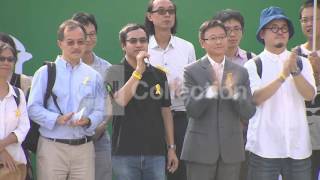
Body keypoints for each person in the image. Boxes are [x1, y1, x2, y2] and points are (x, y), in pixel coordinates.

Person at [244, 6, 316, 180]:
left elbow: (310, 95)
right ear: (262, 33)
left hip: (298, 148)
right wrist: (283, 75)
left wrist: (295, 72)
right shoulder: (253, 64)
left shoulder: (302, 62)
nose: (280, 32)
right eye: (274, 28)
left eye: (284, 28)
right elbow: (255, 98)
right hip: (264, 149)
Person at [27, 19, 105, 180]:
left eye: (80, 42)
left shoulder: (93, 75)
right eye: (70, 42)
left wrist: (89, 120)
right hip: (52, 147)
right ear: (60, 43)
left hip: (84, 148)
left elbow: (100, 110)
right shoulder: (44, 73)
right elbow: (33, 108)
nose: (76, 46)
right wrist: (57, 119)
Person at [181, 19, 256, 180]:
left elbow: (249, 111)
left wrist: (235, 94)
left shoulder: (240, 71)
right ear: (203, 42)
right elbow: (192, 109)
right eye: (213, 38)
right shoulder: (191, 71)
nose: (219, 41)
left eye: (222, 37)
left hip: (231, 151)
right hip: (200, 150)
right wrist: (211, 91)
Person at [107, 23, 178, 180]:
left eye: (143, 40)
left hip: (156, 153)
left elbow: (166, 112)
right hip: (125, 153)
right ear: (123, 45)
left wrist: (171, 148)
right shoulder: (114, 71)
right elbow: (120, 102)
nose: (139, 44)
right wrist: (138, 71)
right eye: (133, 41)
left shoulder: (159, 74)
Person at [144, 0, 196, 179]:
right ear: (150, 16)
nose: (167, 15)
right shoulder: (141, 47)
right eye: (161, 11)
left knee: (179, 172)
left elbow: (194, 86)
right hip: (151, 118)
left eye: (171, 11)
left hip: (180, 117)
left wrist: (185, 89)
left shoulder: (187, 47)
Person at [213, 9, 255, 180]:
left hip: (247, 132)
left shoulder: (253, 60)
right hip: (218, 133)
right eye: (226, 29)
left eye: (236, 28)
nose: (232, 34)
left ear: (242, 32)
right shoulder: (208, 63)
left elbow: (257, 97)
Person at [72, 12, 112, 180]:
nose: (89, 39)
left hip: (100, 138)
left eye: (92, 34)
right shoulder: (61, 68)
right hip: (70, 137)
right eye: (84, 35)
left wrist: (101, 126)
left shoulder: (109, 68)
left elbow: (114, 104)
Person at [0, 41, 30, 180]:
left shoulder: (18, 94)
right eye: (1, 58)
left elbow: (24, 127)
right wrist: (2, 152)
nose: (6, 62)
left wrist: (2, 144)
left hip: (14, 167)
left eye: (10, 59)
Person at [297, 1, 320, 179]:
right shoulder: (294, 55)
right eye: (305, 20)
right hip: (305, 137)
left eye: (314, 19)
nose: (309, 24)